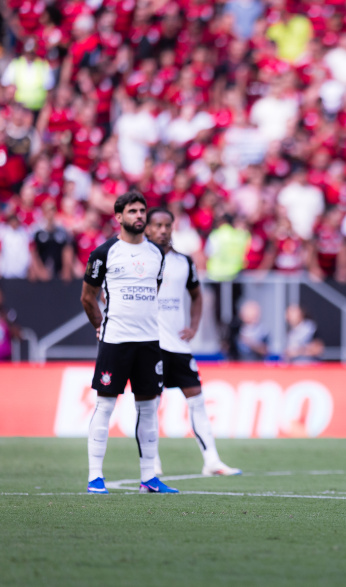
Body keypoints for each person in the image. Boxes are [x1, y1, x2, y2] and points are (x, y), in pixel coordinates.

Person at [80, 191, 177, 494]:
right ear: (119, 217)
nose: (139, 216)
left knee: (149, 409)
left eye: (142, 211)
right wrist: (101, 326)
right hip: (116, 341)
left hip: (149, 342)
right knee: (105, 405)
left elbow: (154, 290)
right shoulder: (104, 253)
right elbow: (87, 296)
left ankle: (149, 477)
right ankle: (95, 476)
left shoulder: (157, 254)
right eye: (132, 211)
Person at [145, 208, 241, 477]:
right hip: (150, 345)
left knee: (197, 400)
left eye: (167, 225)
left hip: (178, 345)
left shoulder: (184, 262)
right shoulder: (138, 261)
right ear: (148, 229)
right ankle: (151, 462)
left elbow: (197, 296)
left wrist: (195, 326)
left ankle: (211, 461)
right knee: (150, 403)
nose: (163, 230)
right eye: (157, 225)